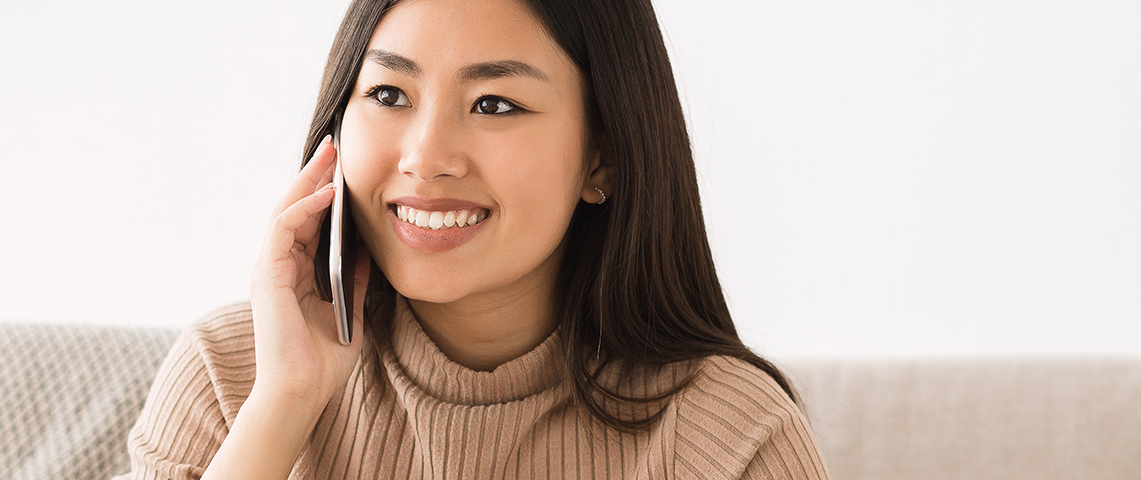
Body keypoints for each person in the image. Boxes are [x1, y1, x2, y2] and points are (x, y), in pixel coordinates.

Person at [117, 0, 830, 478]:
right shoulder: (230, 377)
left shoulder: (731, 438)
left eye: (495, 104)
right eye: (389, 95)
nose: (426, 157)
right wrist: (284, 405)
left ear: (602, 156)